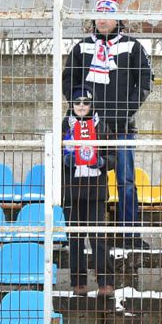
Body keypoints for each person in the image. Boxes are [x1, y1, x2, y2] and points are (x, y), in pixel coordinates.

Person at [62, 0, 153, 243]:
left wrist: (126, 111)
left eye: (108, 16)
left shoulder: (132, 46)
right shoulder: (82, 47)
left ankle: (130, 235)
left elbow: (145, 82)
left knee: (125, 179)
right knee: (85, 177)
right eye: (99, 16)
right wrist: (82, 108)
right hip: (87, 127)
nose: (102, 21)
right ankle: (83, 237)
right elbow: (69, 80)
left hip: (122, 125)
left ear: (117, 19)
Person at [61, 89, 112, 297]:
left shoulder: (102, 126)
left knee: (98, 237)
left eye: (86, 102)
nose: (81, 106)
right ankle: (78, 282)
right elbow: (54, 152)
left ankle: (105, 282)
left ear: (92, 105)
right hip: (72, 191)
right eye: (77, 102)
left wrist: (102, 162)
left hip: (95, 191)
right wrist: (66, 160)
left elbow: (113, 155)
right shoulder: (65, 125)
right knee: (75, 238)